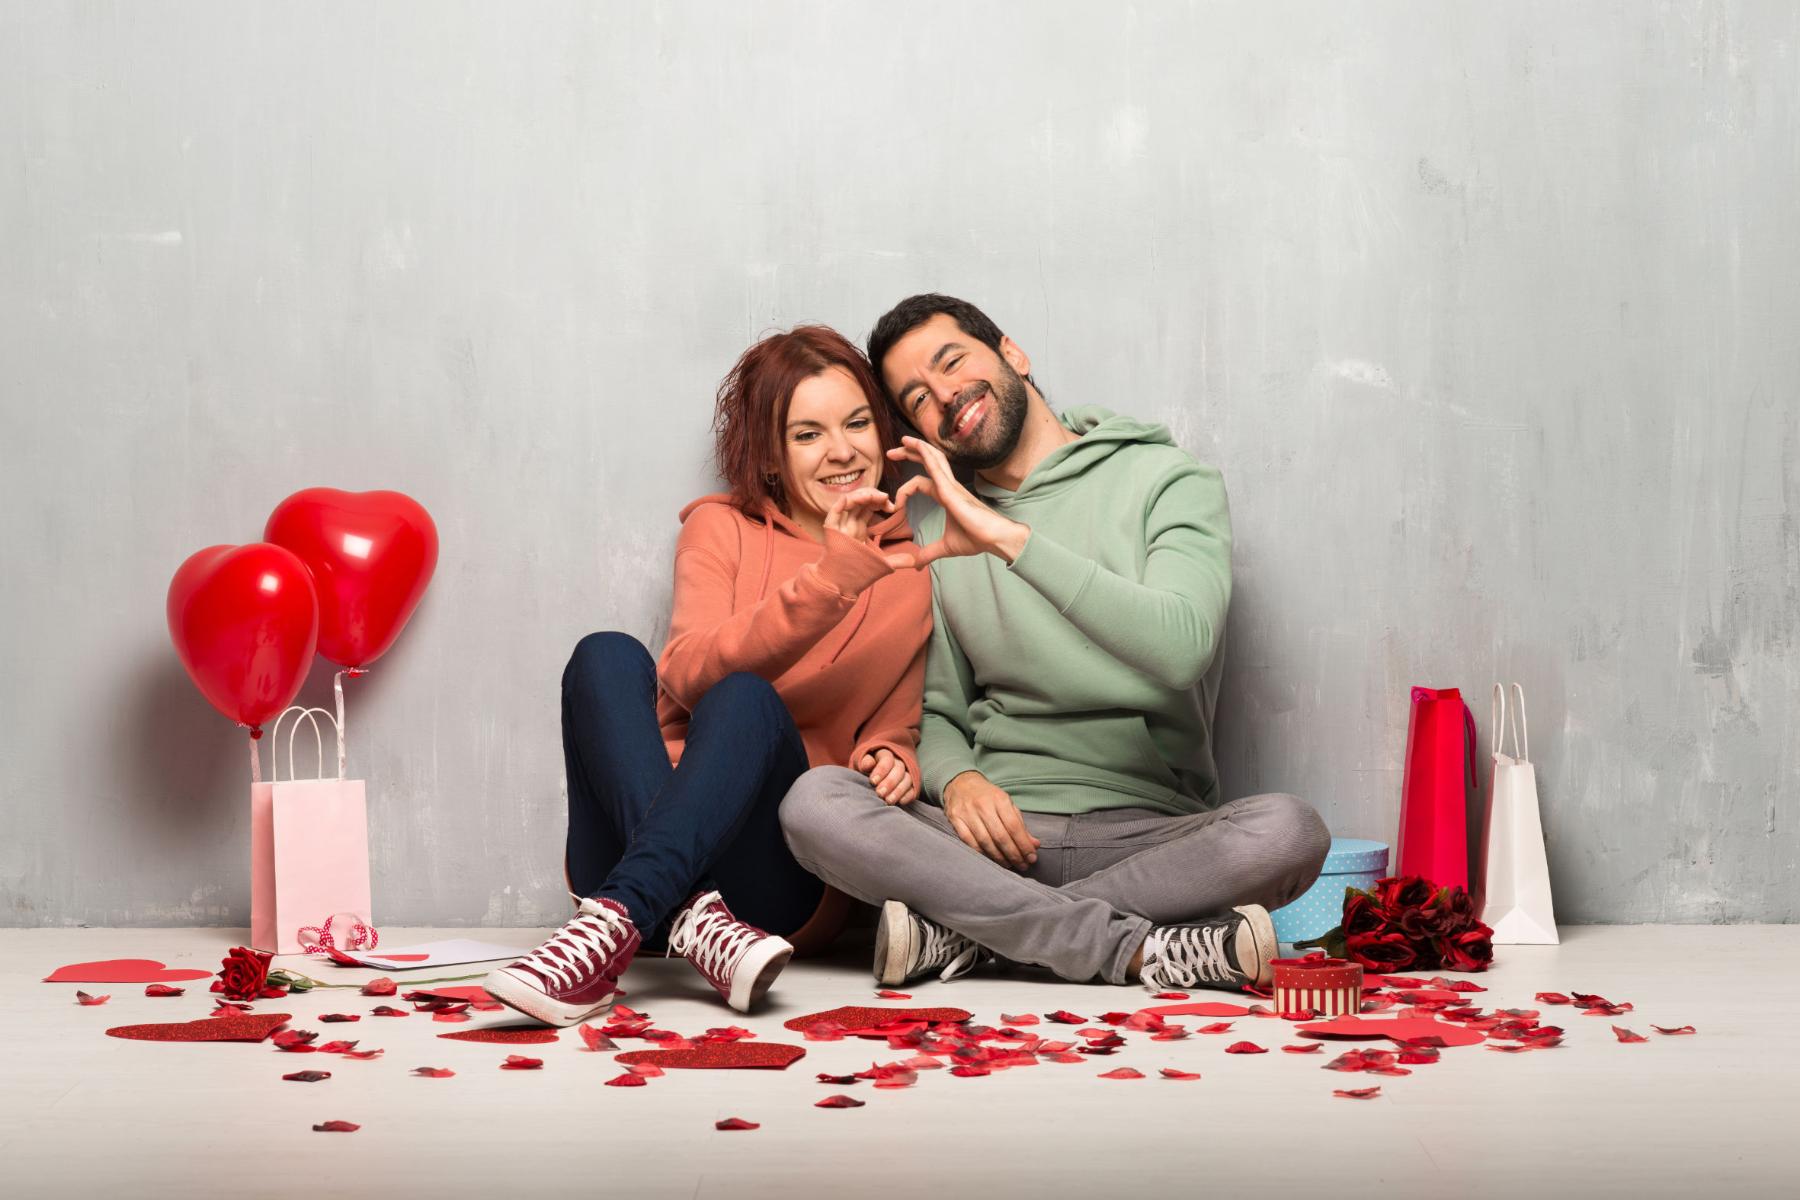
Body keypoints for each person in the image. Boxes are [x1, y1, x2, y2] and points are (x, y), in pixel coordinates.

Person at [780, 294, 1331, 995]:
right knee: (814, 803)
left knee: (1288, 831)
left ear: (1012, 354)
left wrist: (1008, 539)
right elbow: (942, 710)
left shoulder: (1168, 482)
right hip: (987, 846)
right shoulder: (931, 529)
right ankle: (1127, 947)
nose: (945, 396)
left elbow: (1180, 646)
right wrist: (963, 782)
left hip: (1149, 838)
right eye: (917, 397)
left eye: (952, 363)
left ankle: (979, 937)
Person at [485, 326, 932, 1026]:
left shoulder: (907, 571)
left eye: (856, 424)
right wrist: (828, 581)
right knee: (606, 653)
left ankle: (623, 921)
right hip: (646, 837)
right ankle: (690, 912)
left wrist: (893, 754)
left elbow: (894, 723)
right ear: (773, 458)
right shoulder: (719, 528)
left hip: (775, 881)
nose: (843, 451)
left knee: (748, 699)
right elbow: (687, 673)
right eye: (809, 434)